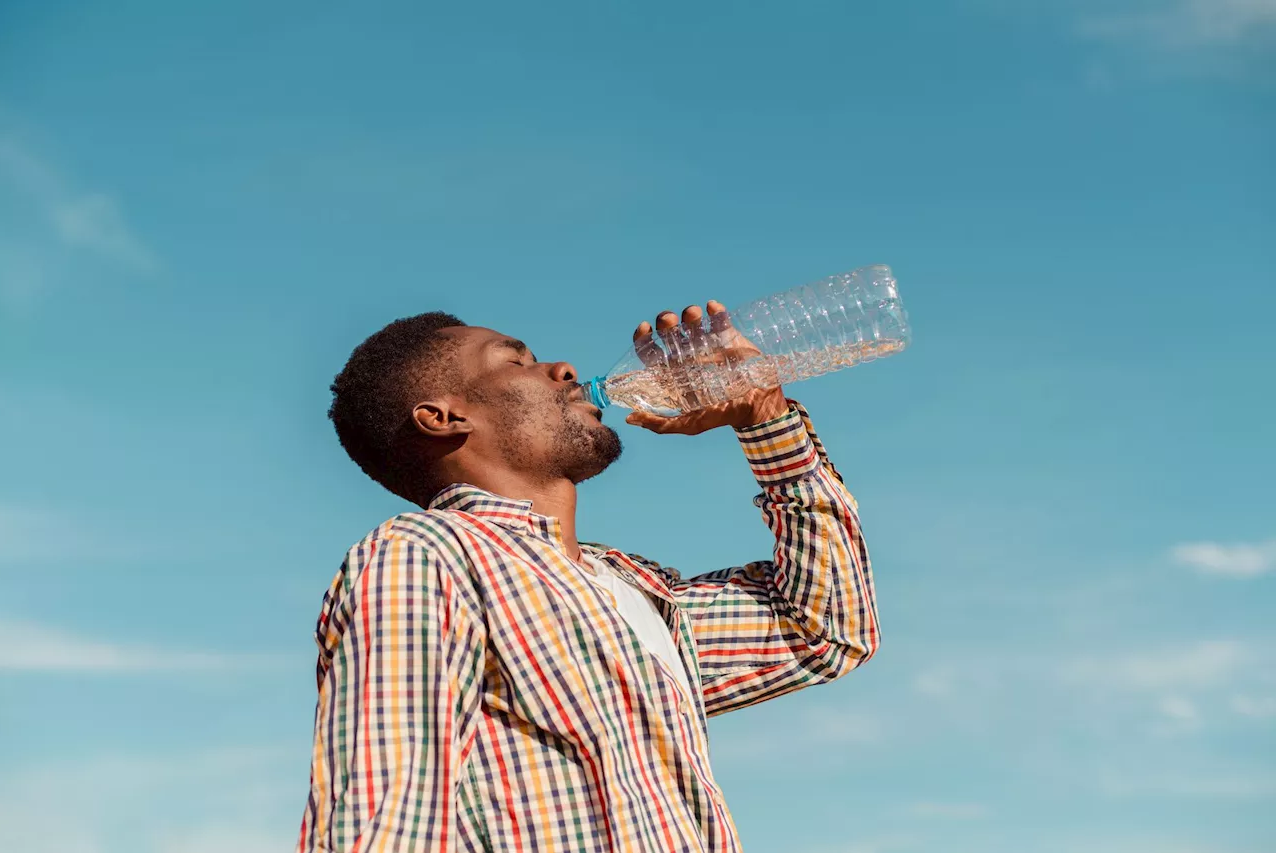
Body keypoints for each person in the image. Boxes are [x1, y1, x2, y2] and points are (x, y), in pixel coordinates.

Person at [296, 301, 880, 853]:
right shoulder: (429, 555)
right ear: (445, 417)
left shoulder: (631, 590)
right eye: (516, 361)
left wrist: (767, 420)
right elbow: (385, 819)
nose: (563, 368)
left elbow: (823, 631)